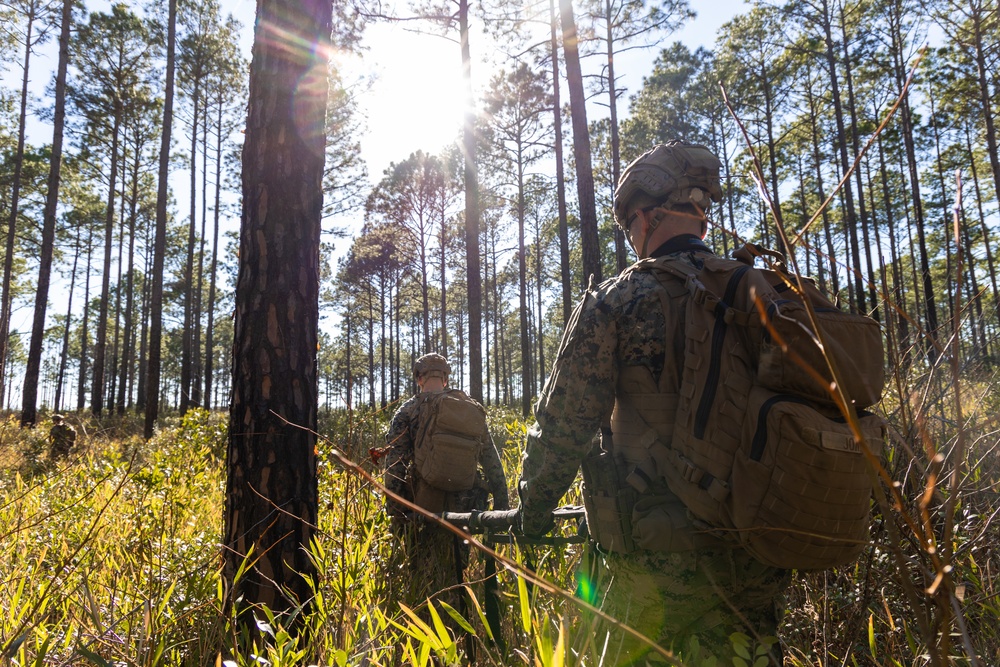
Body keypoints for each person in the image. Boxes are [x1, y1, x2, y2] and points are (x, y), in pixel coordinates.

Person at [517, 141, 790, 665]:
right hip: (755, 558)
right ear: (699, 217)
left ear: (646, 217)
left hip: (656, 563)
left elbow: (564, 425)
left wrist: (533, 512)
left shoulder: (621, 300)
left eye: (628, 226)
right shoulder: (764, 294)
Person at [382, 352, 510, 615]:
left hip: (420, 511)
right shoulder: (469, 408)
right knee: (457, 576)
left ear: (418, 378)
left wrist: (397, 514)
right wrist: (501, 505)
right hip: (464, 511)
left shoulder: (407, 411)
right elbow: (492, 462)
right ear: (446, 376)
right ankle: (461, 626)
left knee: (421, 581)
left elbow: (393, 468)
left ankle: (428, 631)